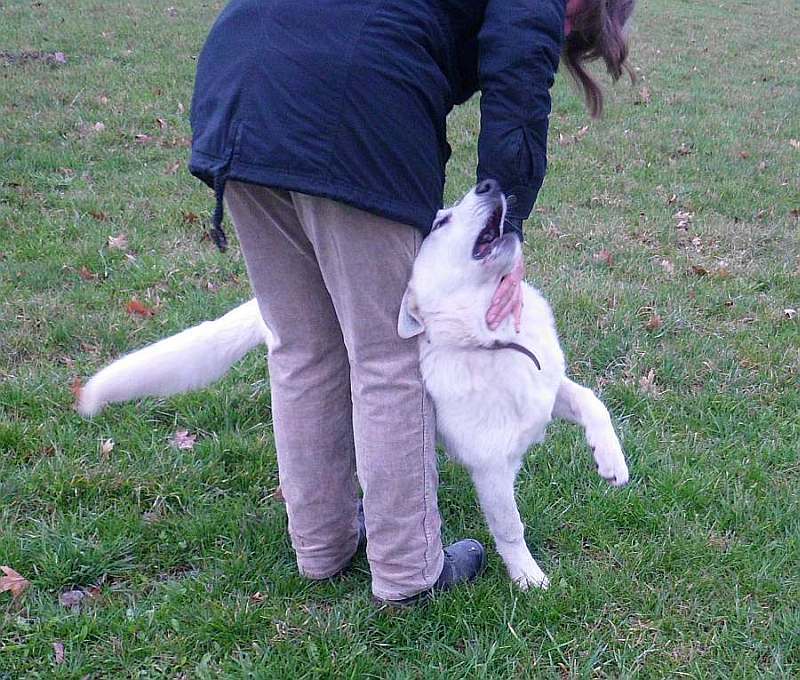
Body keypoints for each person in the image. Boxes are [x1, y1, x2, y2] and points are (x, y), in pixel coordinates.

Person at [188, 0, 635, 605]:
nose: (564, 30)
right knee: (387, 356)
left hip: (237, 84)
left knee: (301, 348)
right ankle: (407, 572)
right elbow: (517, 86)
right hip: (353, 103)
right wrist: (505, 224)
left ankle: (322, 547)